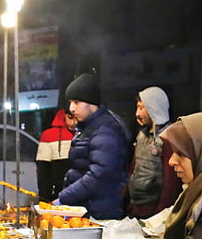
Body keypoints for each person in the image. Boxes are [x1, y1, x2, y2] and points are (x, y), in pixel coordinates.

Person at [54, 72, 133, 220]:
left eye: (76, 102)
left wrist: (64, 198)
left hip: (101, 212)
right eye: (70, 102)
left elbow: (99, 175)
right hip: (88, 208)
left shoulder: (106, 131)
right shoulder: (88, 127)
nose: (71, 108)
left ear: (91, 103)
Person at [127, 86, 181, 218]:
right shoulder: (142, 135)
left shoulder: (168, 138)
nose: (137, 114)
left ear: (154, 108)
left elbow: (171, 183)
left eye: (142, 108)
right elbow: (135, 168)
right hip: (136, 206)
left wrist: (160, 214)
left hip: (154, 209)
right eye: (137, 107)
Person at [35, 108, 76, 201]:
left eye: (76, 118)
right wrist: (44, 199)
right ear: (64, 116)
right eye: (70, 118)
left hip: (81, 194)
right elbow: (43, 170)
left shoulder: (86, 134)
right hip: (57, 194)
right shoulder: (49, 135)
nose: (74, 122)